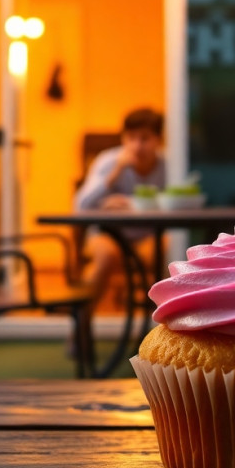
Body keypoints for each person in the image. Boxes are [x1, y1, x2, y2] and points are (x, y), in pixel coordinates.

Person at [73, 108, 166, 333]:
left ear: (158, 140)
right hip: (108, 234)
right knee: (104, 256)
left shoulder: (168, 165)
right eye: (131, 138)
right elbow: (80, 205)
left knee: (168, 252)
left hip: (149, 235)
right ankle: (80, 327)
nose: (137, 145)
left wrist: (142, 204)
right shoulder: (108, 161)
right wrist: (114, 174)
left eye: (144, 138)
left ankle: (162, 332)